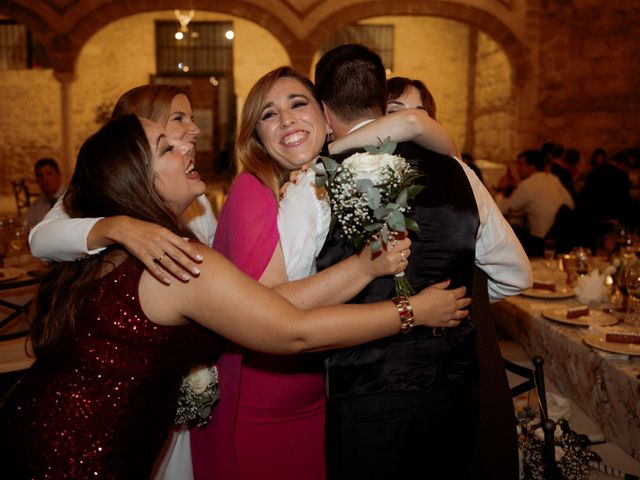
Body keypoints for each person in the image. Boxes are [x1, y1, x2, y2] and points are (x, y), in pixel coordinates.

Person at [0, 114, 471, 478]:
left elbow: (269, 306)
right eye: (166, 146)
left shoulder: (122, 249)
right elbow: (292, 332)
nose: (188, 143)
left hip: (39, 430)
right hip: (76, 457)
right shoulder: (175, 262)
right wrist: (412, 310)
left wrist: (360, 267)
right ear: (138, 182)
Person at [190, 66, 464, 480]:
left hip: (314, 400)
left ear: (324, 113)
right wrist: (390, 291)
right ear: (255, 135)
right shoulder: (253, 190)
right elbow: (267, 312)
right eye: (268, 114)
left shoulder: (311, 181)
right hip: (265, 411)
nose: (285, 120)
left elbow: (421, 127)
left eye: (297, 104)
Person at [313, 44, 532, 479]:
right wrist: (464, 297)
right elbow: (516, 274)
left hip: (366, 389)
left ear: (325, 111)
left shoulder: (317, 180)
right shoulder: (461, 172)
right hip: (452, 386)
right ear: (381, 105)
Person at [29, 84, 216, 284]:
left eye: (192, 119)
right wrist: (118, 227)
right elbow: (41, 240)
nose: (196, 130)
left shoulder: (194, 196)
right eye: (178, 118)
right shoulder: (104, 193)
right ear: (141, 125)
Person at [495, 149, 575, 256]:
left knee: (509, 231)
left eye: (521, 164)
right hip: (565, 237)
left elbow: (500, 209)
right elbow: (570, 205)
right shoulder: (553, 179)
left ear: (532, 167)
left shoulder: (528, 185)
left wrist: (501, 189)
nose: (518, 168)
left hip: (542, 241)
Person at [25, 157, 65, 230]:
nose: (45, 179)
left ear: (59, 175)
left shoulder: (71, 199)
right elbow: (25, 225)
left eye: (49, 174)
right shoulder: (36, 205)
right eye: (40, 175)